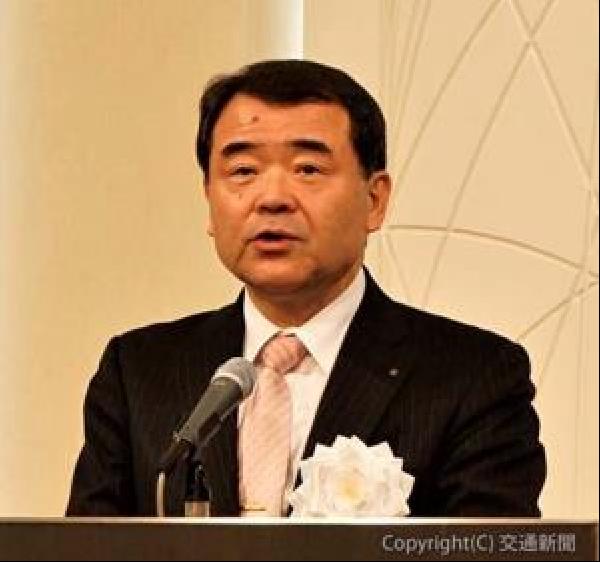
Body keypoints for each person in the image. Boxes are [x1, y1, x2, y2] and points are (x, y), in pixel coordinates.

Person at [66, 59, 546, 517]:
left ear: (375, 200)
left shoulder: (473, 378)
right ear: (209, 199)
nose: (272, 198)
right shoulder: (139, 372)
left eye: (308, 169)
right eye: (243, 171)